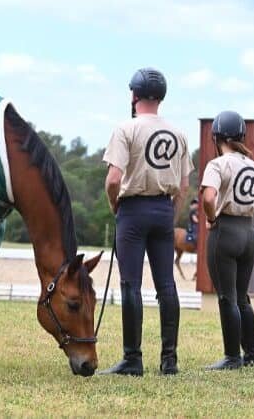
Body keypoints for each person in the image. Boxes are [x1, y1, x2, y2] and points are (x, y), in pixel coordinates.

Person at [100, 67, 192, 376]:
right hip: (164, 209)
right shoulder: (178, 134)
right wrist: (172, 215)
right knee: (167, 284)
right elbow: (183, 186)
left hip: (133, 209)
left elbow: (113, 179)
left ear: (133, 95)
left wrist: (115, 205)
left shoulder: (126, 129)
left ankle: (133, 358)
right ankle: (169, 360)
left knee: (131, 285)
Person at [200, 110, 254, 369]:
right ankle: (252, 355)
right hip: (248, 232)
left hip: (225, 231)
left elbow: (208, 197)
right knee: (242, 297)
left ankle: (232, 357)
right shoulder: (252, 165)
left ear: (216, 137)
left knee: (227, 297)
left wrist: (211, 219)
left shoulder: (217, 164)